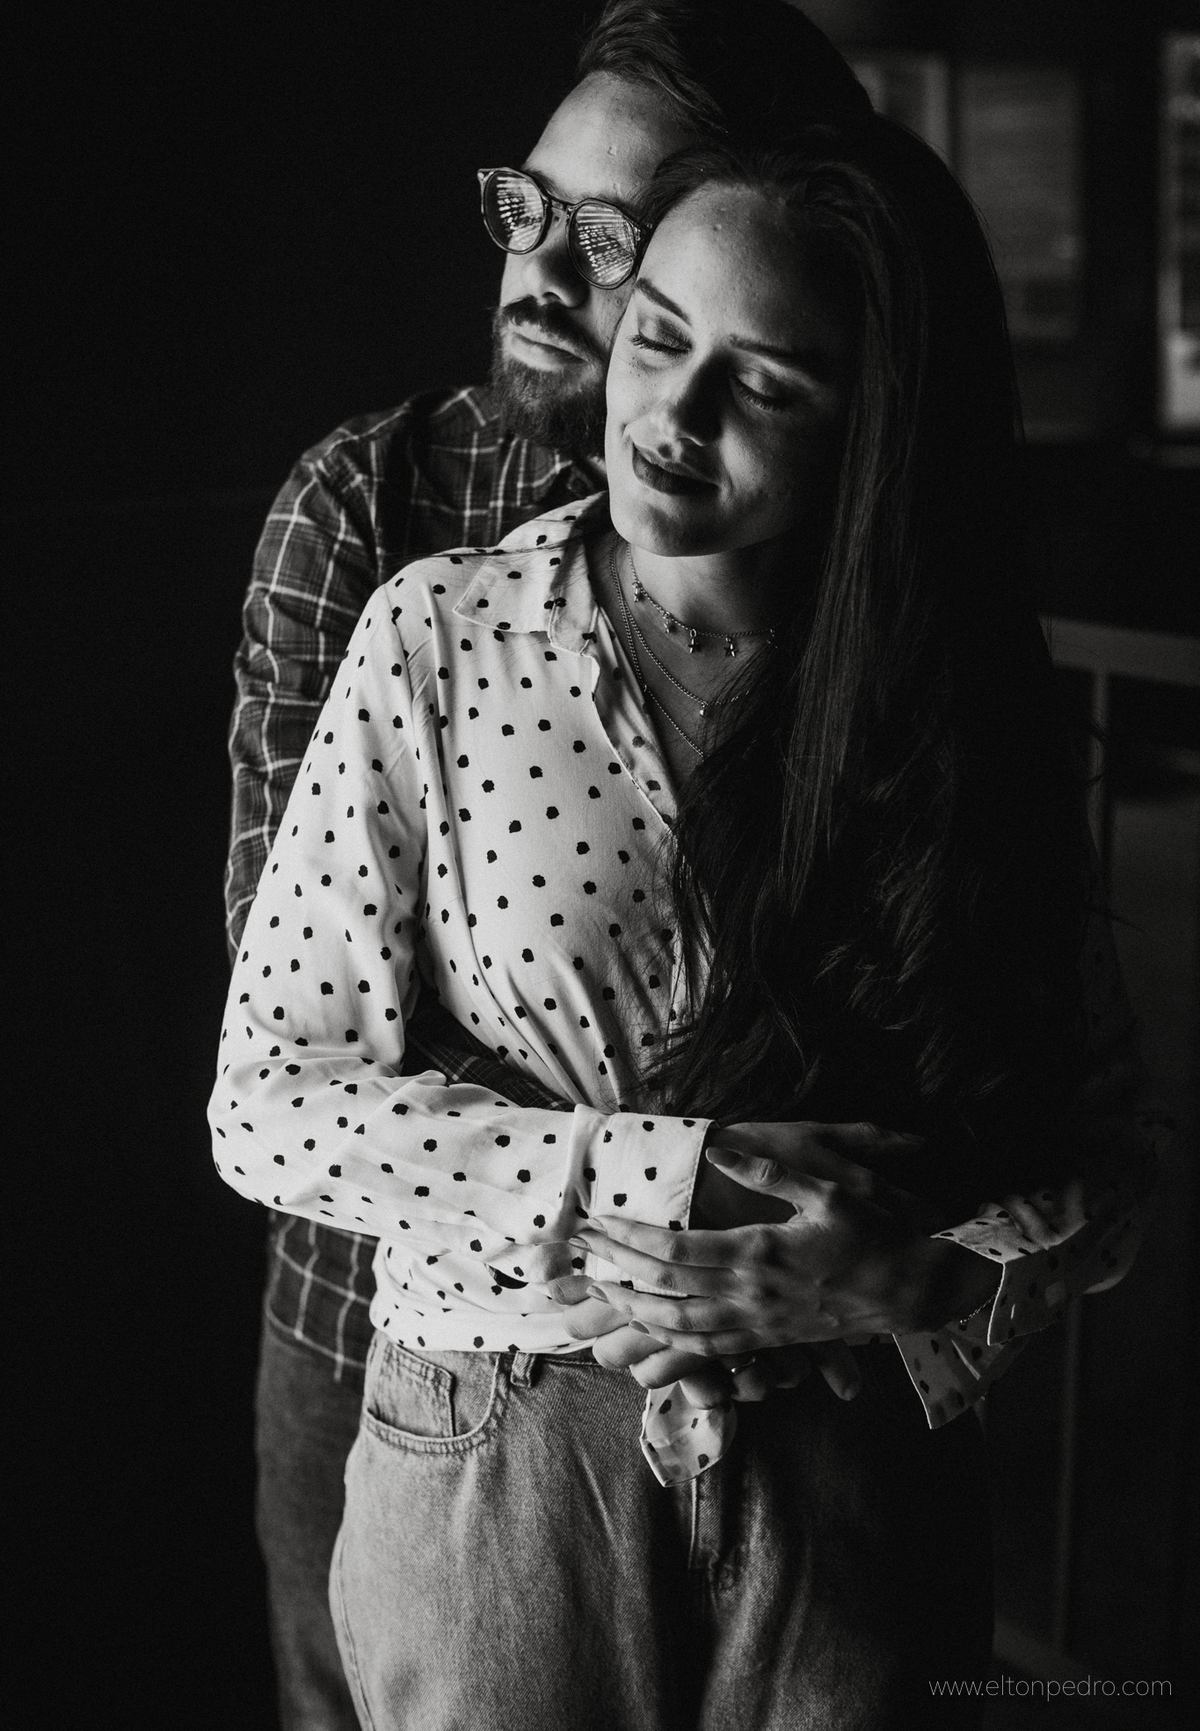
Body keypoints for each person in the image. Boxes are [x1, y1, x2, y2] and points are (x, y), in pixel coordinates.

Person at [211, 112, 1159, 1727]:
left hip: (854, 1457)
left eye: (765, 384)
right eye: (657, 336)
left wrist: (915, 1280)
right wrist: (670, 1177)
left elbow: (1105, 1158)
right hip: (502, 1447)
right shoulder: (441, 634)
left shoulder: (955, 710)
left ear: (871, 425)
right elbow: (269, 1108)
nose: (676, 412)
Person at [226, 0, 875, 1729]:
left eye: (609, 238)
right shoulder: (377, 519)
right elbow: (307, 1021)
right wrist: (700, 1182)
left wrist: (896, 1243)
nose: (538, 272)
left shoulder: (851, 598)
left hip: (777, 1383)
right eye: (527, 209)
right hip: (382, 1318)